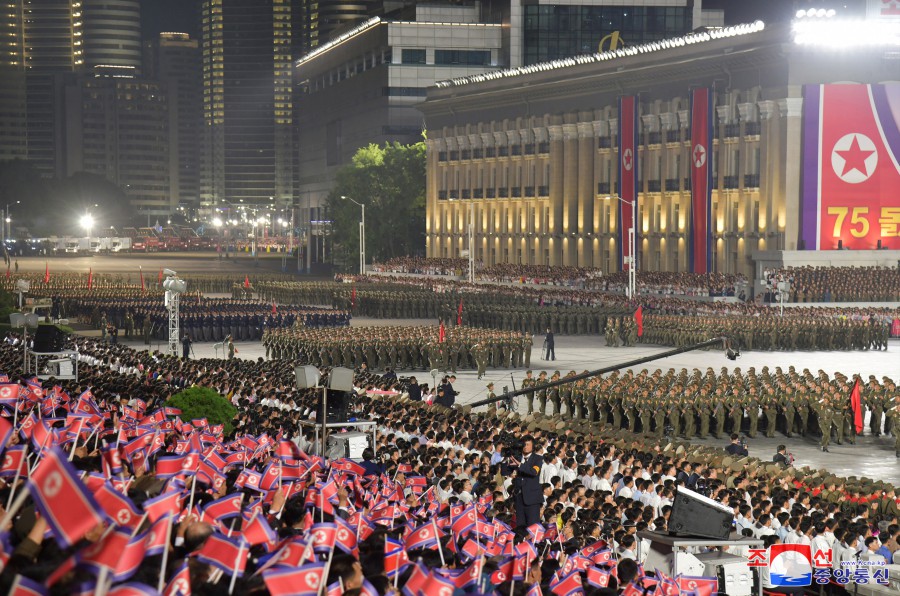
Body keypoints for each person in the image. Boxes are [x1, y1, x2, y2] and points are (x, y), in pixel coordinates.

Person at [512, 435, 543, 529]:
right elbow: (505, 472)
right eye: (524, 444)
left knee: (532, 527)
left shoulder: (538, 458)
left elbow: (534, 472)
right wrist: (506, 460)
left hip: (532, 499)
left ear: (533, 446)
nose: (525, 447)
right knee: (520, 527)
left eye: (528, 444)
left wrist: (520, 465)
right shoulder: (517, 457)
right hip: (519, 498)